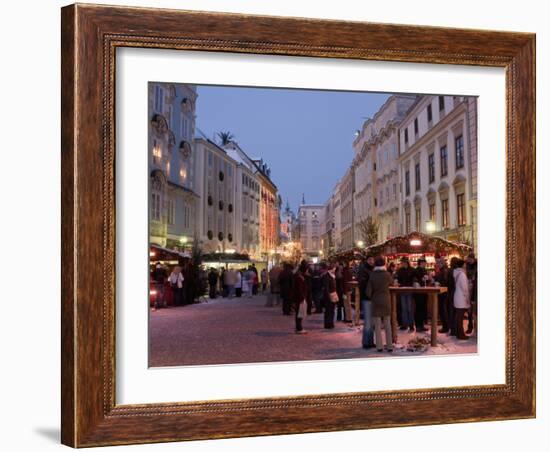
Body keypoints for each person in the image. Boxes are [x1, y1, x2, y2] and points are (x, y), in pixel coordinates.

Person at [366, 257, 394, 352]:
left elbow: (368, 292)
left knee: (377, 325)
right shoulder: (387, 274)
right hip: (386, 301)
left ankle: (379, 346)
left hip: (376, 301)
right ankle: (389, 346)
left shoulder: (372, 275)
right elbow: (392, 283)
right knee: (387, 324)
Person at [358, 256, 375, 348]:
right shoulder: (363, 270)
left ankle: (370, 341)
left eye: (372, 260)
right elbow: (362, 284)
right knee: (368, 321)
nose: (372, 261)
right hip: (367, 298)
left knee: (371, 321)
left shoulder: (372, 270)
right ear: (367, 260)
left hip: (372, 298)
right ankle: (366, 342)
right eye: (370, 260)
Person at [396, 257, 415, 332]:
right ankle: (405, 324)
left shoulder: (412, 270)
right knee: (404, 308)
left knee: (409, 308)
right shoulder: (400, 270)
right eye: (402, 262)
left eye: (403, 262)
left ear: (406, 262)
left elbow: (414, 278)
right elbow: (398, 279)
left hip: (409, 290)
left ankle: (411, 325)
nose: (402, 263)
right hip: (402, 290)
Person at [453, 258, 471, 340]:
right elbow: (465, 289)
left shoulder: (456, 273)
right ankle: (461, 335)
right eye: (465, 264)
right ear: (463, 265)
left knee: (458, 317)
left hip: (457, 297)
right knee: (460, 318)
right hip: (461, 298)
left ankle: (457, 333)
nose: (466, 266)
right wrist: (468, 300)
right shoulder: (462, 275)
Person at [292, 261, 309, 334]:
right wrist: (302, 297)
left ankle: (298, 327)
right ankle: (299, 328)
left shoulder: (300, 276)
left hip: (299, 297)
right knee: (299, 313)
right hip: (299, 298)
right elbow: (299, 289)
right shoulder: (299, 278)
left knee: (299, 313)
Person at [434, 260, 451, 333]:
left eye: (439, 263)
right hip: (445, 292)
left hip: (443, 292)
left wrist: (438, 284)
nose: (437, 264)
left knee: (443, 310)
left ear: (442, 264)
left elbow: (444, 283)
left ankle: (445, 327)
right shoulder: (445, 271)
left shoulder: (443, 271)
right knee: (444, 310)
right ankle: (446, 326)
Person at [413, 257, 429, 332]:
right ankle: (418, 325)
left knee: (423, 308)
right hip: (418, 293)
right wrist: (421, 280)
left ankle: (421, 325)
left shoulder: (424, 270)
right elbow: (415, 281)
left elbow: (426, 280)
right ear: (420, 263)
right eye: (424, 263)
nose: (425, 264)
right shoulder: (416, 271)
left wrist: (428, 279)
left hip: (424, 292)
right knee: (419, 309)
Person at [321, 262, 338, 329]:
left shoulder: (332, 276)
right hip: (329, 295)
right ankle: (327, 324)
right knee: (328, 310)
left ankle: (331, 323)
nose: (334, 270)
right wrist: (328, 296)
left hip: (333, 294)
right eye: (334, 268)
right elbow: (326, 287)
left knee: (332, 310)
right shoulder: (327, 276)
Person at [466, 252, 478, 335]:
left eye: (470, 259)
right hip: (469, 288)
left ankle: (475, 328)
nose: (469, 260)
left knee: (475, 311)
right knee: (469, 310)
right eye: (468, 259)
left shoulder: (477, 265)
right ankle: (470, 326)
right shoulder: (467, 265)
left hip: (474, 289)